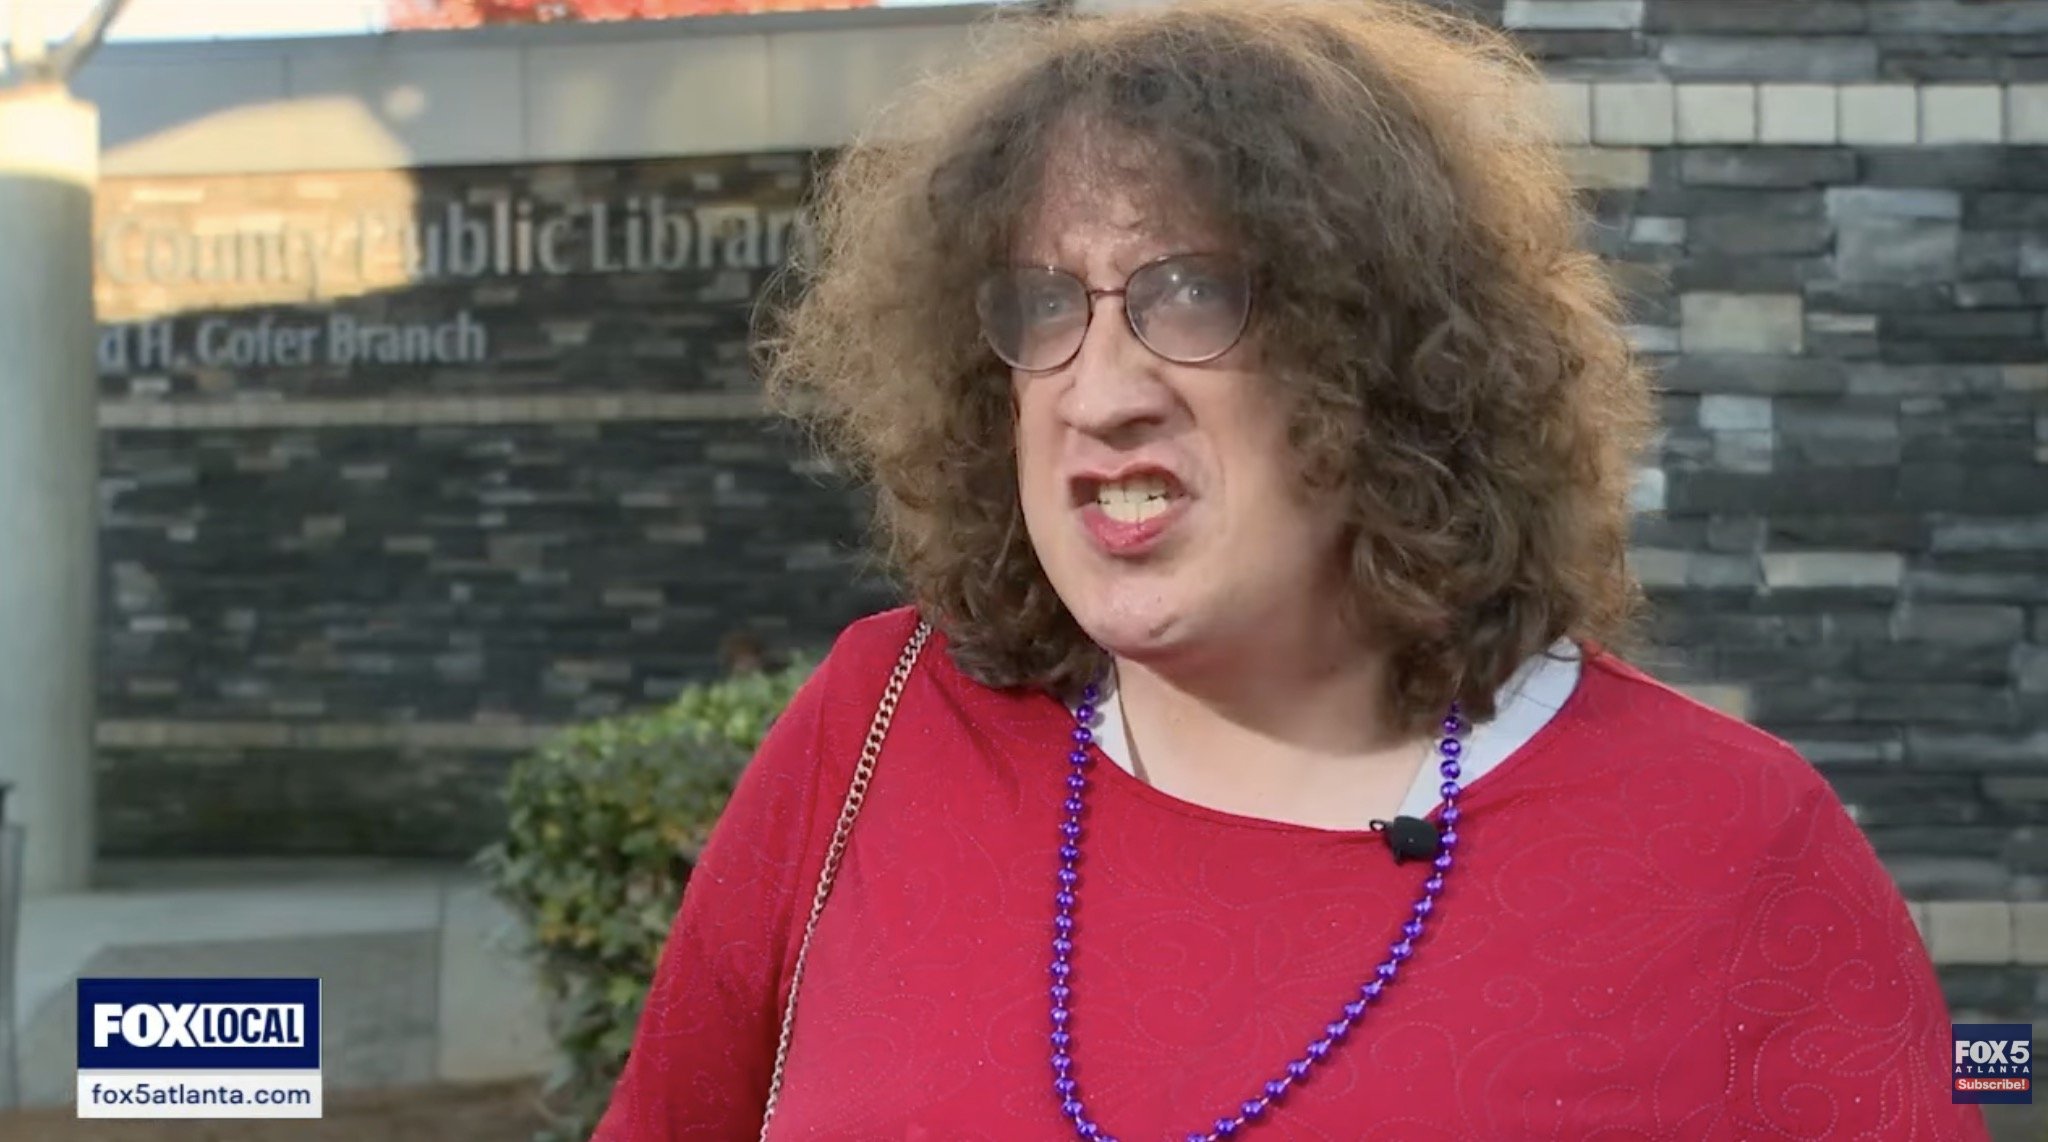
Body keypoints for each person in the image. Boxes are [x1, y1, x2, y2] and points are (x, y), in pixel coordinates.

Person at [593, 2, 1988, 1139]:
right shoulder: (880, 720)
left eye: (1191, 293)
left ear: (1384, 363)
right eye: (1045, 307)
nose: (1101, 390)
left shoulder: (1729, 847)